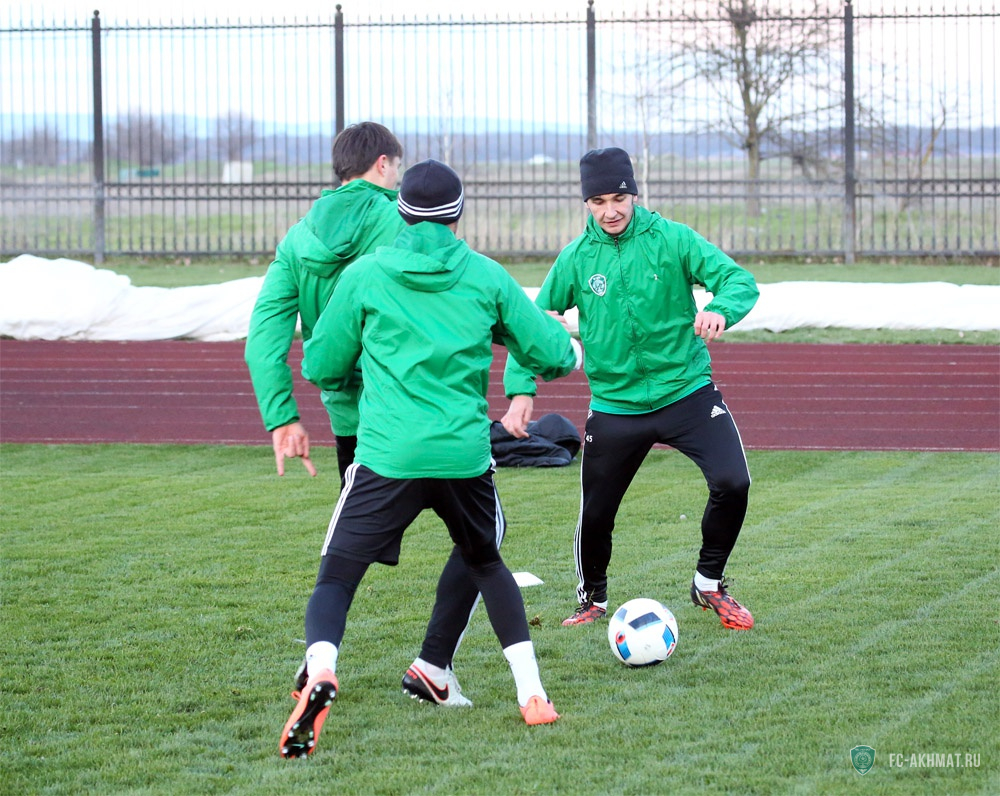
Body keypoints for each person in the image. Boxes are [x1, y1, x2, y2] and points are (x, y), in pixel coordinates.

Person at [279, 159, 580, 758]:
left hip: (387, 454)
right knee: (486, 561)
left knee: (337, 575)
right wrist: (546, 343)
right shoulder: (486, 276)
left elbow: (320, 364)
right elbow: (553, 352)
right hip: (462, 457)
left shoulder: (366, 275)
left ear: (402, 213)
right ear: (458, 214)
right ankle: (532, 694)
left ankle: (321, 669)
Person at [502, 146, 760, 631]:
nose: (610, 211)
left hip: (686, 391)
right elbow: (533, 325)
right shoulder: (576, 258)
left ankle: (709, 583)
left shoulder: (673, 239)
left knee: (734, 482)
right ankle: (592, 599)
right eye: (598, 201)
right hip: (616, 406)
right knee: (597, 513)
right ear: (587, 204)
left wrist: (720, 308)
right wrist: (521, 389)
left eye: (618, 198)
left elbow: (738, 280)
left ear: (634, 194)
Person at [244, 121, 405, 481]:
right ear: (383, 164)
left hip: (347, 413)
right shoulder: (403, 223)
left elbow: (263, 341)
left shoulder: (296, 239)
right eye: (397, 167)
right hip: (408, 404)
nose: (398, 177)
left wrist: (282, 418)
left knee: (360, 515)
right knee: (468, 514)